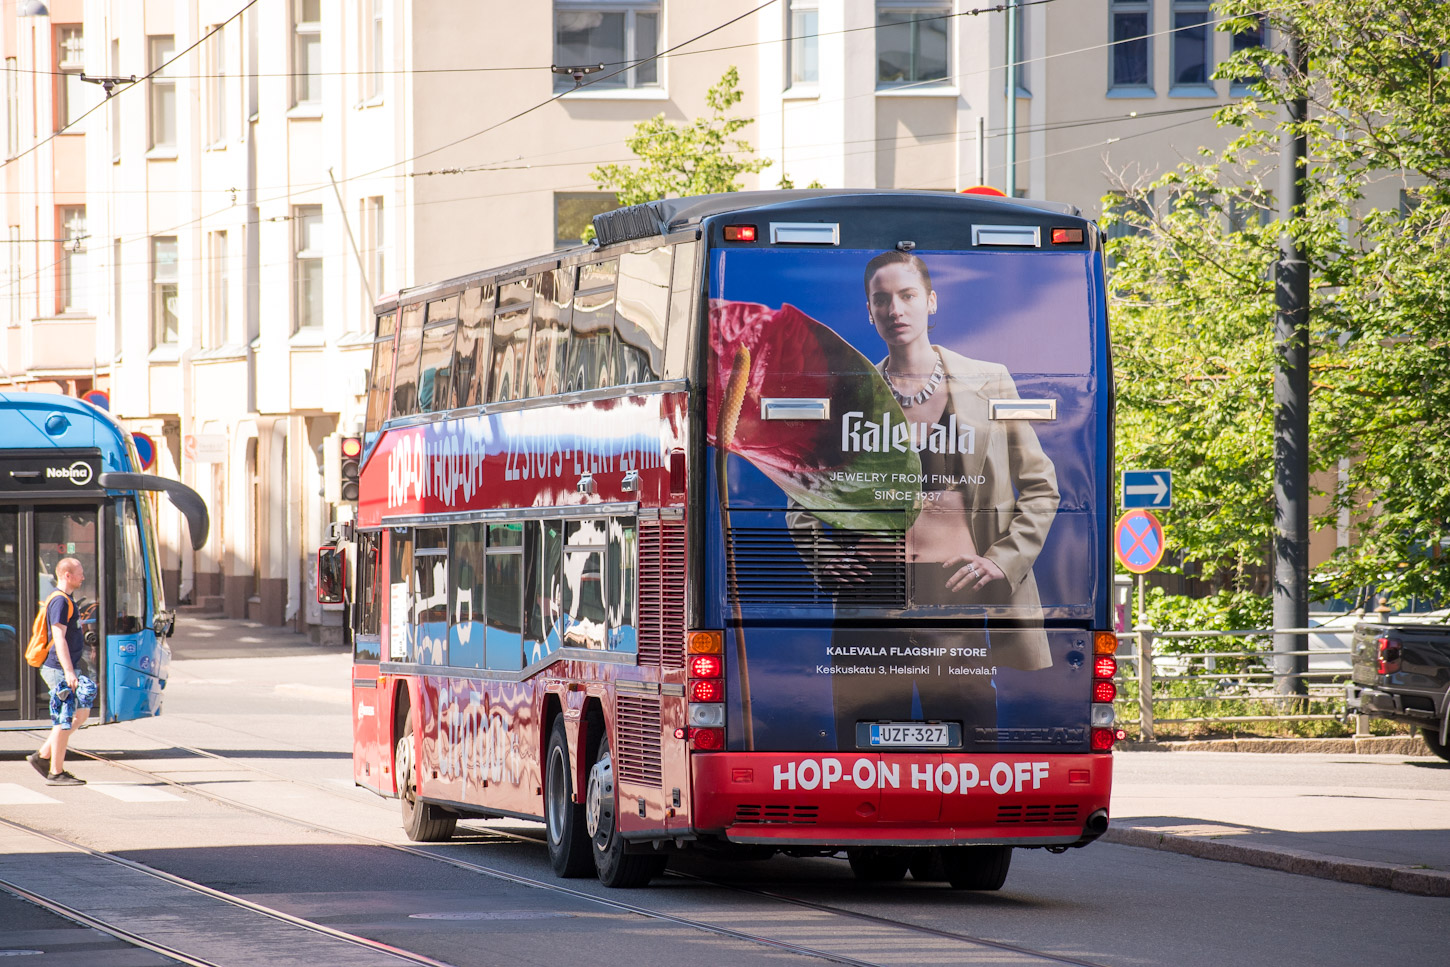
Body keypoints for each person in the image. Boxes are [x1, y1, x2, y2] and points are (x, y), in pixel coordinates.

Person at [796, 250, 1060, 749]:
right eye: (882, 299)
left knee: (973, 754)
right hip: (868, 603)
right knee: (863, 759)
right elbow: (802, 494)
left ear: (931, 302)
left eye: (908, 296)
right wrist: (826, 554)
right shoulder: (851, 393)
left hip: (954, 596)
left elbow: (1042, 486)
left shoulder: (988, 380)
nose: (895, 309)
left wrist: (1002, 561)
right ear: (868, 311)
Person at [27, 558, 96, 785]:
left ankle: (43, 756)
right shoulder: (60, 601)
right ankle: (55, 772)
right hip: (58, 667)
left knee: (81, 714)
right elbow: (58, 637)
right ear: (67, 575)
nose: (83, 577)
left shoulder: (67, 600)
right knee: (64, 719)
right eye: (80, 573)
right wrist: (68, 671)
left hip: (66, 666)